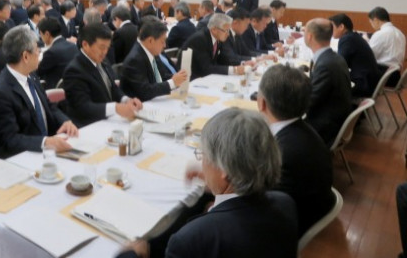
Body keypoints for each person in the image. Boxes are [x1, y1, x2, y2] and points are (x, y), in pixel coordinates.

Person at [121, 109, 298, 258]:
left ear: (224, 170)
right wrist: (217, 186)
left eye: (204, 155)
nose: (202, 163)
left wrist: (133, 255)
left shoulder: (192, 240)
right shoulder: (285, 203)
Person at [257, 64, 335, 236]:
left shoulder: (284, 153)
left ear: (261, 103)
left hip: (287, 226)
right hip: (308, 208)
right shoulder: (303, 130)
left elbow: (259, 204)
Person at [0, 26, 78, 157]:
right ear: (25, 56)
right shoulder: (0, 92)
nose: (39, 52)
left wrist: (65, 121)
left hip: (49, 150)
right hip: (25, 156)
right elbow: (9, 139)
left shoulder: (31, 76)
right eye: (36, 49)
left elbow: (48, 106)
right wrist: (45, 142)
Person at [63, 23, 142, 127]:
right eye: (101, 47)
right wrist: (115, 108)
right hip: (88, 125)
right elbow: (83, 107)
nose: (105, 52)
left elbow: (112, 88)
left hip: (108, 119)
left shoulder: (102, 61)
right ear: (85, 44)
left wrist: (126, 100)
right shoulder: (74, 70)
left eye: (107, 48)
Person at [304, 18, 352, 145]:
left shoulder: (325, 65)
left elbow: (308, 102)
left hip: (325, 127)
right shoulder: (333, 57)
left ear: (309, 36)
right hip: (333, 116)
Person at [121, 17, 188, 101]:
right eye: (162, 41)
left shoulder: (152, 51)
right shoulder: (135, 60)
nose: (164, 45)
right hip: (140, 104)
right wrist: (172, 82)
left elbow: (160, 77)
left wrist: (175, 77)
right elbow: (145, 91)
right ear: (150, 41)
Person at [329, 13, 383, 98]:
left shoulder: (347, 39)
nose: (330, 30)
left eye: (332, 27)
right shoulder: (354, 36)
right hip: (369, 80)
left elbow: (340, 64)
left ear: (341, 27)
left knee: (328, 86)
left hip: (363, 84)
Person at [182, 13, 246, 80]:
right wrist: (234, 70)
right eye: (226, 30)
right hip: (191, 78)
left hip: (206, 76)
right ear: (214, 29)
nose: (228, 34)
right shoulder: (200, 39)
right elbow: (206, 68)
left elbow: (224, 59)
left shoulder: (217, 38)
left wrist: (242, 63)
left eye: (228, 30)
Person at [367, 6, 406, 87]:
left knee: (356, 74)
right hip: (396, 76)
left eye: (371, 22)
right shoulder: (400, 34)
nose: (372, 25)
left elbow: (370, 57)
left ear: (375, 20)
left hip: (383, 76)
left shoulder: (380, 34)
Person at [37, 17, 78, 89]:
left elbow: (38, 72)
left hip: (55, 90)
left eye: (41, 34)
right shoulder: (73, 46)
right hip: (74, 87)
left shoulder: (51, 52)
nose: (41, 37)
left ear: (47, 34)